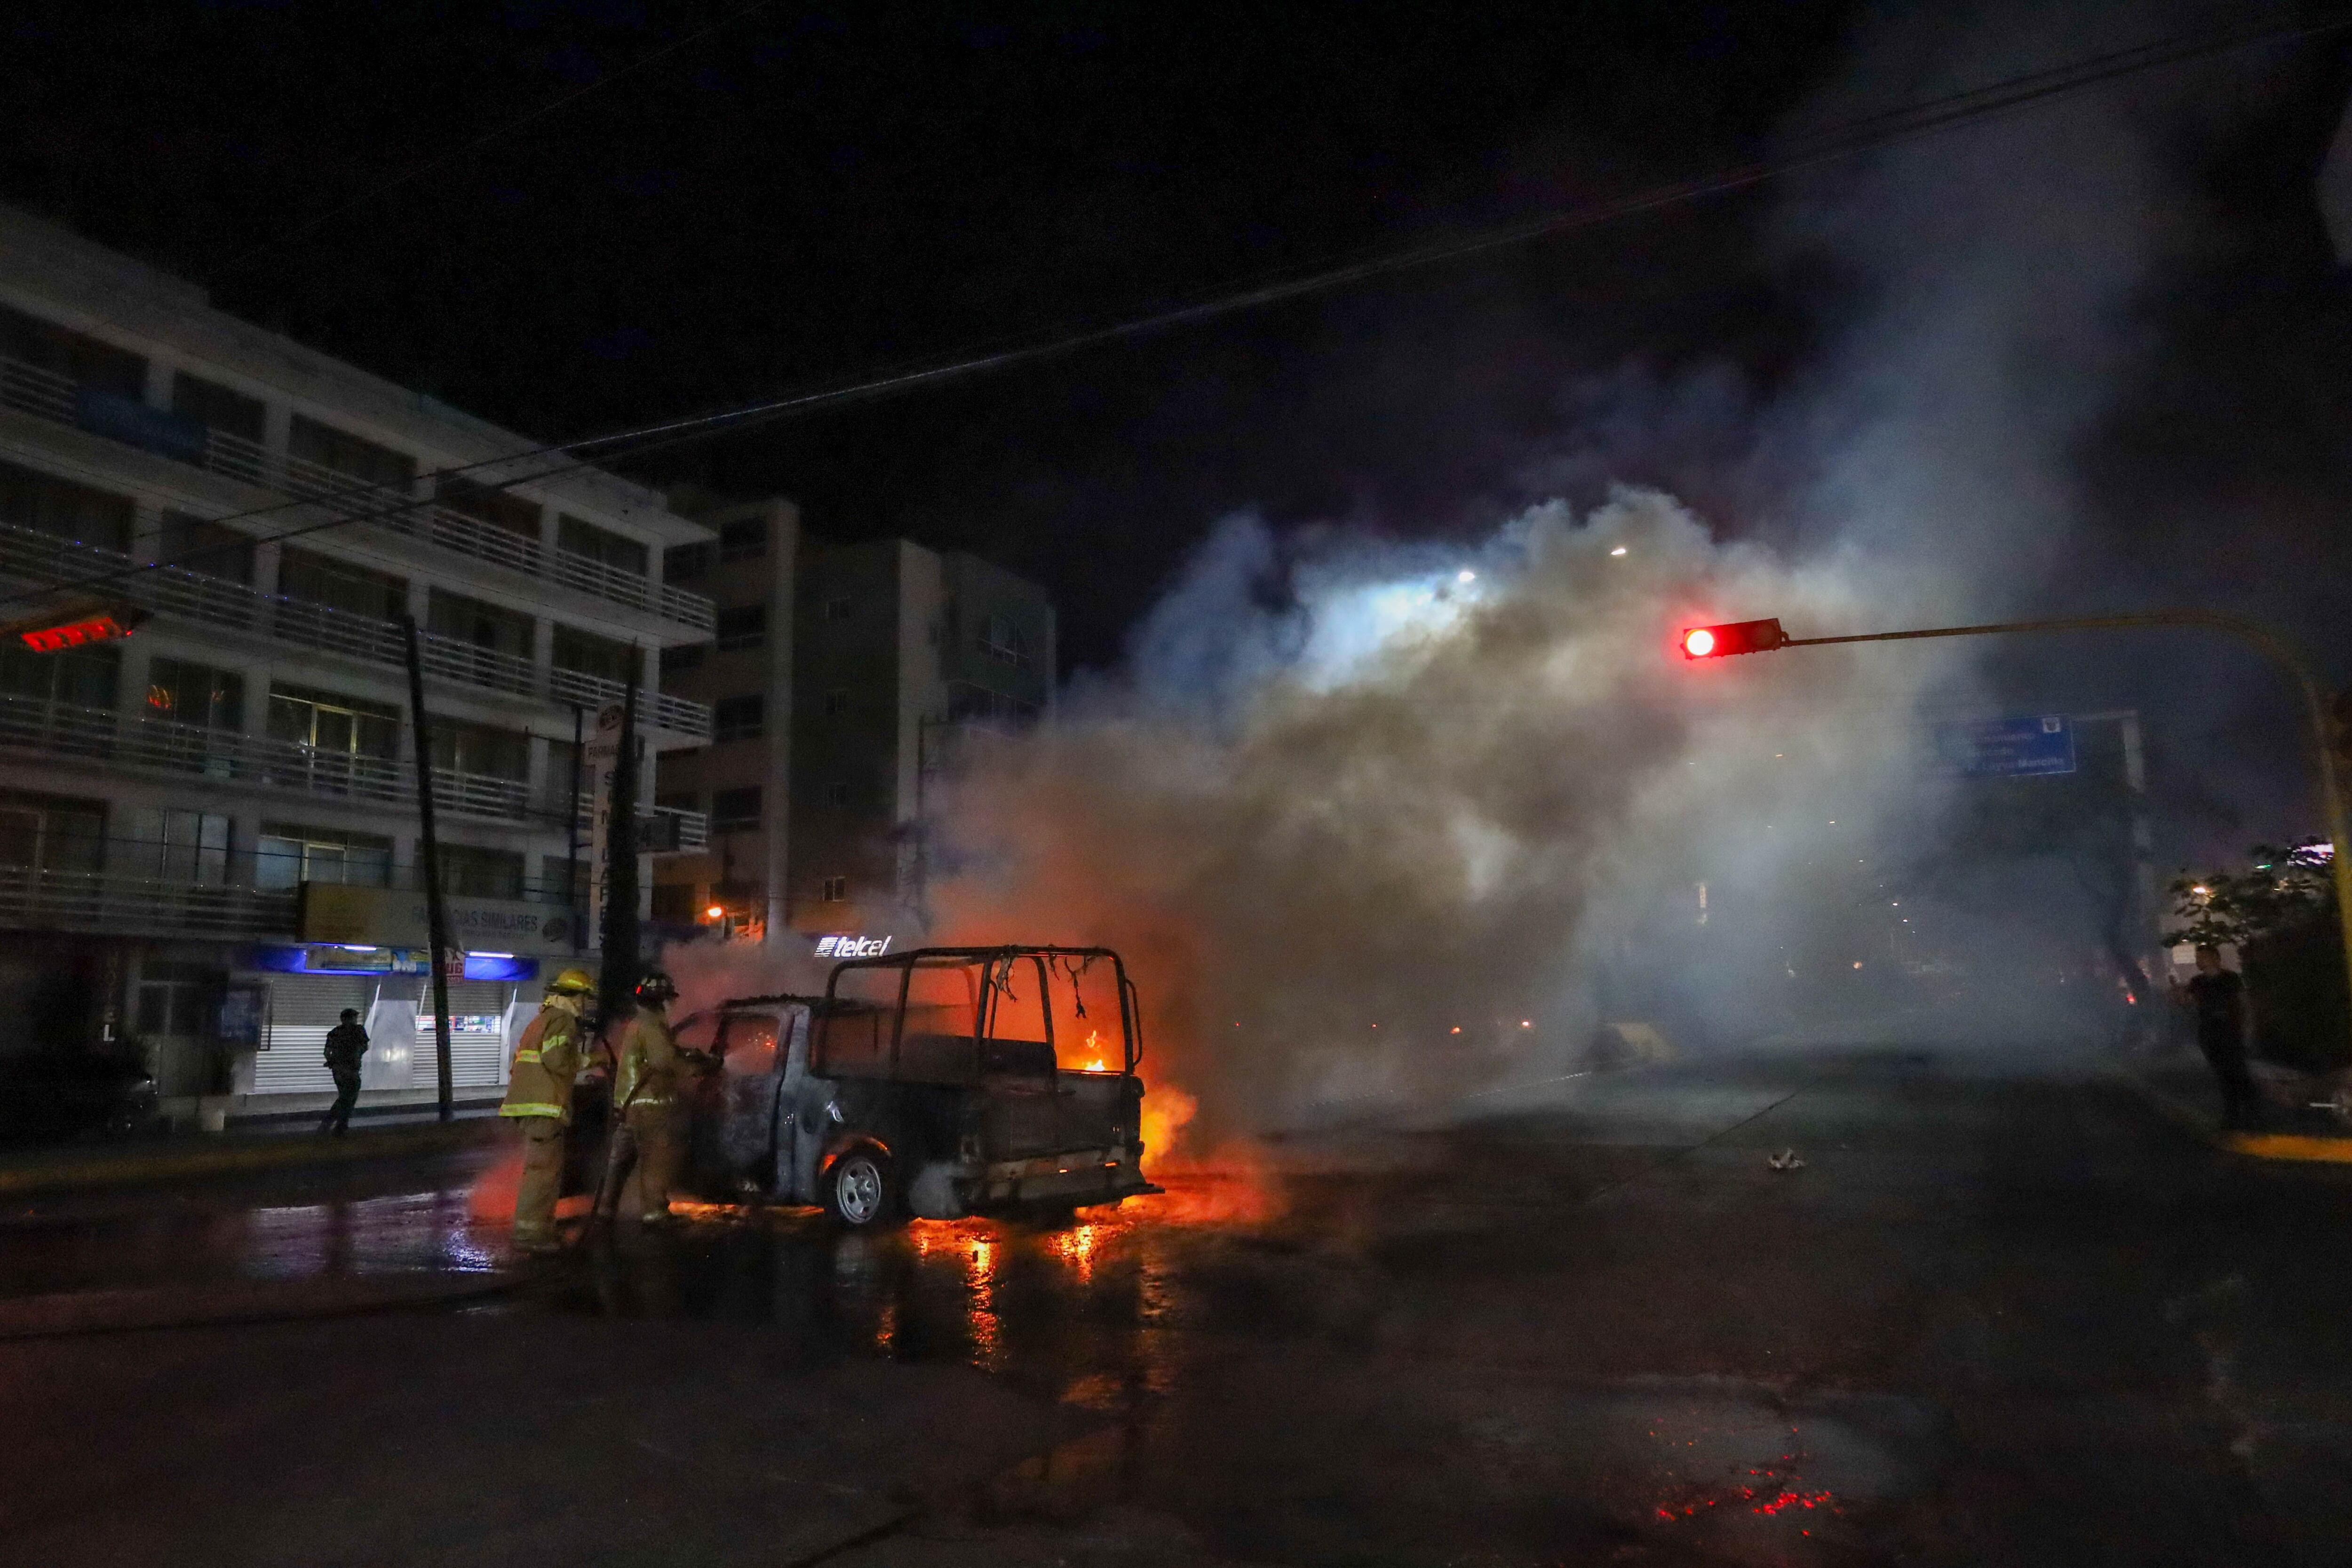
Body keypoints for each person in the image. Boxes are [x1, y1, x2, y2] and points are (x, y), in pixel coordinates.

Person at [499, 967, 596, 1254]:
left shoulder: (542, 1019)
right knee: (544, 1172)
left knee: (540, 1170)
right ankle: (531, 1234)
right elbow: (557, 1060)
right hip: (546, 1108)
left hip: (533, 1107)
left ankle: (536, 1228)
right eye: (584, 997)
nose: (585, 1004)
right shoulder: (563, 1020)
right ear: (575, 996)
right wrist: (586, 1063)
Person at [595, 971, 683, 1226]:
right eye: (669, 1000)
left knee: (620, 1160)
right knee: (655, 1157)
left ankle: (605, 1208)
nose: (671, 1005)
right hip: (649, 1104)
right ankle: (655, 1212)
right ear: (661, 1001)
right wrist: (694, 1064)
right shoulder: (653, 1025)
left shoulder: (638, 1023)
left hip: (628, 1105)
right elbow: (663, 1061)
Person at [2181, 945, 2260, 1129]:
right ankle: (2232, 1112)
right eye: (2197, 957)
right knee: (2222, 1072)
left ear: (2214, 958)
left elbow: (2244, 1003)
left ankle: (2251, 1111)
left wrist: (2249, 1027)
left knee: (2238, 1070)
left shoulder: (2230, 978)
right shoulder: (2197, 982)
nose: (2198, 961)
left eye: (2202, 957)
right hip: (2209, 1031)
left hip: (2230, 1029)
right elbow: (2189, 1004)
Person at [318, 1009, 368, 1136]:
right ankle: (338, 1125)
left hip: (338, 1071)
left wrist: (332, 1062)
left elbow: (326, 1052)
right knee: (349, 1098)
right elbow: (365, 1047)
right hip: (351, 1070)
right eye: (353, 1018)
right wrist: (356, 1057)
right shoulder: (358, 1031)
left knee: (345, 1097)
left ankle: (335, 1125)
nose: (355, 1020)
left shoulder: (335, 1032)